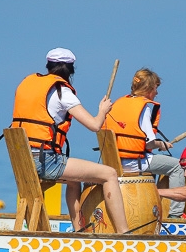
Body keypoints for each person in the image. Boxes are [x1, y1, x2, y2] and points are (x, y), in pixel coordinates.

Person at [9, 48, 129, 233]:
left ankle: (79, 229)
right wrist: (103, 110)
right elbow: (95, 125)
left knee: (74, 181)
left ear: (48, 65)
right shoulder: (61, 91)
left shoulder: (28, 83)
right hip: (45, 161)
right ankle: (124, 234)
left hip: (24, 161)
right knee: (110, 174)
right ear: (70, 70)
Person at [102, 68, 186, 218]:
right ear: (148, 89)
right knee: (177, 166)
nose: (157, 93)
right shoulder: (144, 107)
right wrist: (162, 144)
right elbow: (149, 144)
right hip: (135, 162)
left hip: (114, 162)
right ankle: (175, 216)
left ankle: (149, 206)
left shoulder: (117, 103)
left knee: (155, 163)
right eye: (155, 88)